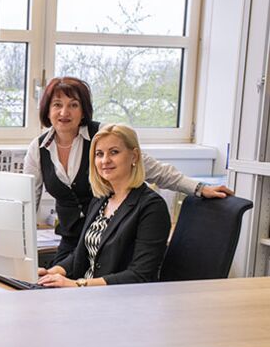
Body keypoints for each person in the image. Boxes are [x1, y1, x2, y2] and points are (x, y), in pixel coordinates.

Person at [25, 77, 233, 264]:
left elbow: (154, 169)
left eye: (73, 105)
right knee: (50, 283)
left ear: (83, 111)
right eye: (57, 105)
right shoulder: (39, 148)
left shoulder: (103, 136)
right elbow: (27, 201)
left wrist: (199, 188)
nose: (64, 112)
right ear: (47, 110)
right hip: (72, 241)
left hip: (111, 240)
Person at [38, 124, 170, 287]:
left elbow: (140, 275)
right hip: (87, 294)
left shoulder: (151, 207)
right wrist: (51, 273)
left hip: (119, 300)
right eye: (99, 154)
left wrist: (77, 285)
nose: (105, 160)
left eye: (114, 152)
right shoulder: (101, 199)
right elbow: (80, 256)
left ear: (134, 156)